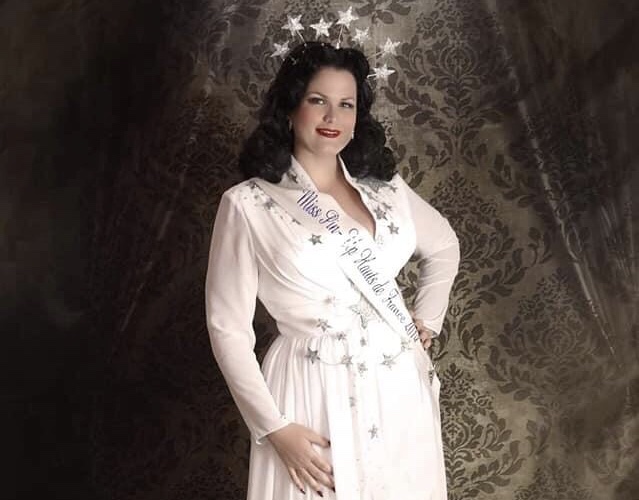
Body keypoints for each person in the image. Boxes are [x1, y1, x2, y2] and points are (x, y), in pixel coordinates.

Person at [205, 41, 459, 500]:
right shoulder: (248, 203)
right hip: (311, 389)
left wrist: (426, 320)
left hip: (398, 389)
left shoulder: (387, 189)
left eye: (346, 104)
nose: (332, 117)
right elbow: (227, 327)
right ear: (290, 108)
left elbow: (443, 245)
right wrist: (274, 427)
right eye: (318, 100)